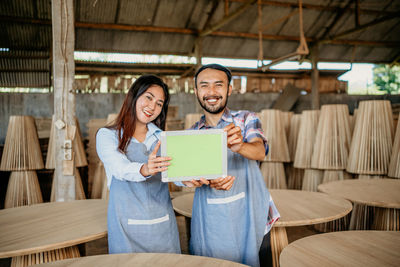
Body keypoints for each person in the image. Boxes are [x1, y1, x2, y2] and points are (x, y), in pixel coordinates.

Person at [189, 64, 280, 267]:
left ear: (229, 89)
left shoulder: (247, 118)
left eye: (218, 85)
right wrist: (196, 179)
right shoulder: (194, 130)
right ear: (196, 92)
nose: (211, 92)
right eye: (204, 86)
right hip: (211, 217)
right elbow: (186, 175)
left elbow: (260, 151)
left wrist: (239, 145)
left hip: (251, 212)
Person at [96, 74, 181, 254]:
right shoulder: (108, 136)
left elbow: (177, 173)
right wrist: (145, 168)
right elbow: (119, 168)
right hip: (126, 227)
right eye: (149, 98)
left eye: (159, 103)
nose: (153, 107)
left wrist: (193, 178)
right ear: (134, 96)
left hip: (163, 225)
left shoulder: (162, 138)